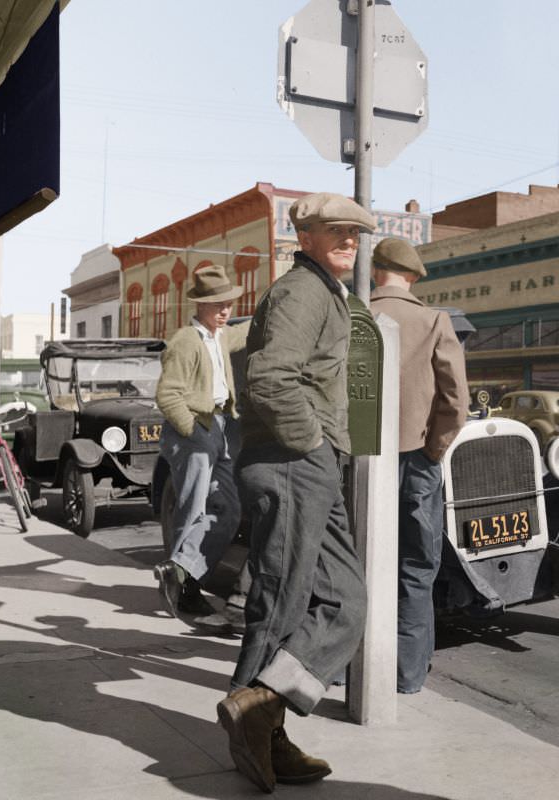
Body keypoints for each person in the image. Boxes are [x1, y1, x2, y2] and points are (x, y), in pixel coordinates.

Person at [216, 193, 372, 793]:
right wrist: (310, 445)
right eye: (334, 231)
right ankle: (261, 728)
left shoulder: (323, 290)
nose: (348, 241)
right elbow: (271, 377)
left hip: (310, 463)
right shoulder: (302, 290)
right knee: (280, 605)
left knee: (345, 602)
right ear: (303, 235)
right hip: (292, 461)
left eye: (355, 234)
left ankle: (259, 708)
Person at [369, 237, 470, 694]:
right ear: (411, 277)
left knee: (355, 561)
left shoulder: (351, 316)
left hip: (359, 460)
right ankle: (408, 676)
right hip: (415, 459)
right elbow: (456, 401)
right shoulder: (433, 321)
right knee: (415, 566)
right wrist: (434, 449)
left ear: (375, 272)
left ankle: (350, 667)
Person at [154, 264, 248, 632]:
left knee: (228, 507)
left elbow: (245, 333)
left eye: (228, 303)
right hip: (195, 432)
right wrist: (194, 431)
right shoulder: (185, 341)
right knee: (192, 510)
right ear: (199, 305)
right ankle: (185, 591)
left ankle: (179, 570)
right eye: (217, 305)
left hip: (221, 427)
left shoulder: (219, 336)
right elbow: (167, 395)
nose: (224, 310)